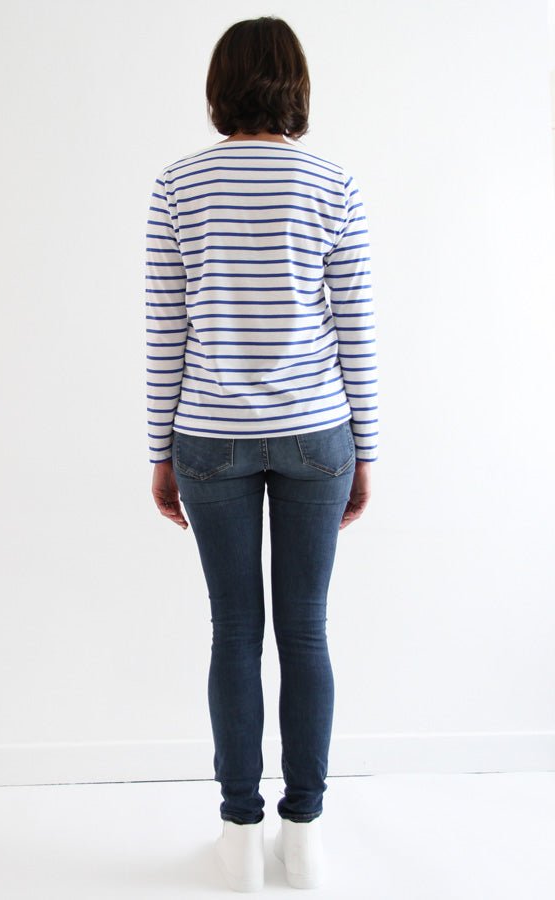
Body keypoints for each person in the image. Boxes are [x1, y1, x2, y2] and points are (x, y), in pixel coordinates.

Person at [145, 15, 378, 892]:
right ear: (295, 85)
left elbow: (166, 330)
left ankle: (240, 835)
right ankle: (303, 834)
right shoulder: (333, 182)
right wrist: (367, 450)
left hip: (208, 434)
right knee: (306, 629)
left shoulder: (178, 185)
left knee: (235, 632)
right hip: (319, 431)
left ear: (221, 87)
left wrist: (159, 450)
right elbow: (356, 328)